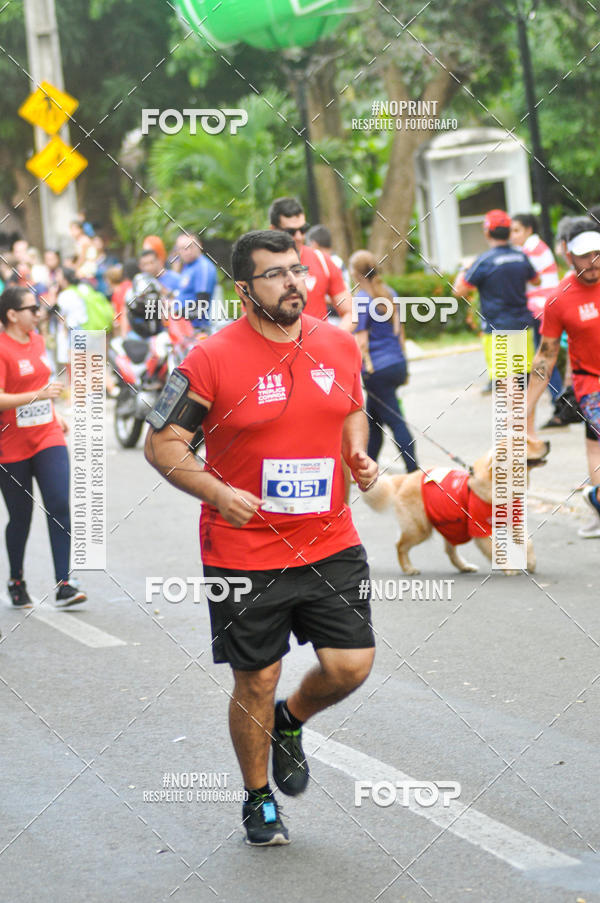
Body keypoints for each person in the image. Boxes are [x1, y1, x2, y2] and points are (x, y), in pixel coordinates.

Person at [145, 229, 377, 846]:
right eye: (275, 274)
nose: (293, 282)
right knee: (257, 678)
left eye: (296, 270)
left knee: (352, 666)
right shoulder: (210, 360)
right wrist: (219, 493)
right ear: (243, 288)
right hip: (244, 551)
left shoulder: (335, 343)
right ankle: (257, 799)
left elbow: (353, 405)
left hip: (329, 538)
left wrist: (356, 448)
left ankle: (291, 721)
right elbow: (162, 443)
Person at [0, 286, 86, 607]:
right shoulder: (2, 348)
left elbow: (41, 385)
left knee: (59, 502)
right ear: (12, 315)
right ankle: (16, 579)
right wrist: (39, 397)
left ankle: (64, 582)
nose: (38, 313)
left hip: (47, 435)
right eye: (31, 308)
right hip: (11, 444)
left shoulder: (37, 341)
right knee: (20, 517)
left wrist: (54, 414)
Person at [528, 219, 600, 539]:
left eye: (597, 254)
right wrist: (526, 406)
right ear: (569, 256)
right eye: (584, 256)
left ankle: (595, 500)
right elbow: (546, 356)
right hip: (591, 384)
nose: (592, 263)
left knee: (594, 446)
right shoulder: (559, 299)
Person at [453, 209, 538, 387]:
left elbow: (458, 291)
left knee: (505, 384)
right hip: (522, 325)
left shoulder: (484, 261)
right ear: (508, 232)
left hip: (497, 329)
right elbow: (536, 280)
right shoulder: (520, 256)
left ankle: (512, 415)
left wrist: (465, 268)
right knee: (523, 381)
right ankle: (525, 414)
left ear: (487, 232)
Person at [350, 249, 417, 472]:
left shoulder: (361, 300)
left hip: (376, 369)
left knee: (396, 421)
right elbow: (400, 332)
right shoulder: (390, 293)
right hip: (396, 363)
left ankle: (414, 471)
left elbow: (361, 342)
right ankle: (367, 467)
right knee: (374, 420)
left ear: (355, 274)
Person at [509, 213, 564, 417]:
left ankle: (557, 403)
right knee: (544, 357)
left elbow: (521, 277)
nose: (512, 235)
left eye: (517, 230)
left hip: (539, 310)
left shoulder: (531, 249)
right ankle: (558, 402)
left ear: (529, 230)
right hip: (542, 309)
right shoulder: (534, 247)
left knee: (541, 358)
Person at [269, 197, 353, 328]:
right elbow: (250, 321)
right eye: (290, 232)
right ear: (273, 230)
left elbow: (350, 312)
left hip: (319, 345)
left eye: (303, 229)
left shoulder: (322, 260)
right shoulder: (261, 267)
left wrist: (332, 343)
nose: (299, 236)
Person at [173, 232, 218, 333]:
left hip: (197, 330)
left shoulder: (203, 267)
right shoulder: (188, 266)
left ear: (199, 245)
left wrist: (175, 312)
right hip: (182, 328)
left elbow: (202, 306)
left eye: (191, 247)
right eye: (182, 248)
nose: (187, 251)